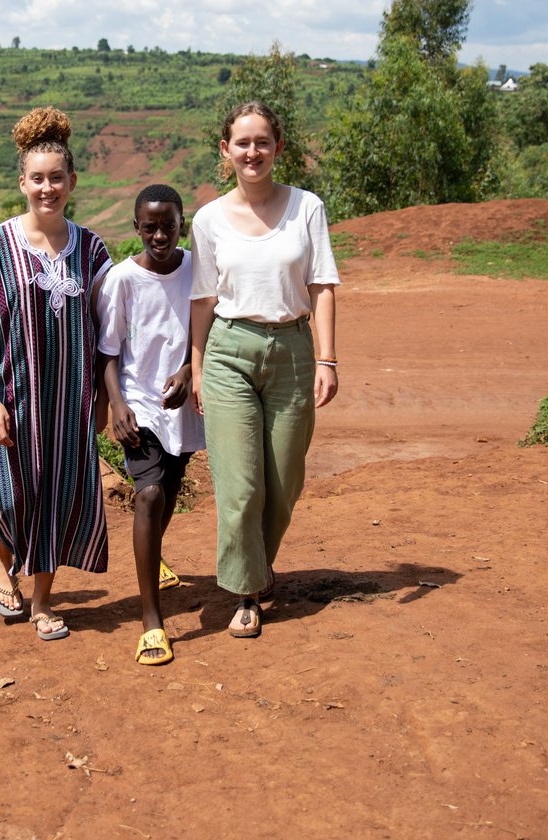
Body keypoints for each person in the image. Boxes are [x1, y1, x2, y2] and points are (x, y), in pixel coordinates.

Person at [189, 101, 340, 638]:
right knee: (240, 485)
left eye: (263, 142)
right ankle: (246, 592)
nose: (253, 152)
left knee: (283, 482)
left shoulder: (307, 208)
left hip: (294, 351)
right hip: (230, 350)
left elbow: (321, 286)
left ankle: (259, 563)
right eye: (242, 143)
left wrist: (326, 358)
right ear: (225, 151)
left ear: (278, 148)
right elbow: (204, 299)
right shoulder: (207, 219)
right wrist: (198, 367)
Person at [0, 106, 111, 641]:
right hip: (11, 396)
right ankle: (2, 563)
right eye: (37, 179)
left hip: (70, 402)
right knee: (11, 493)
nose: (47, 188)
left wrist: (102, 396)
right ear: (21, 181)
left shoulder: (91, 249)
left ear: (71, 182)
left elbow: (107, 331)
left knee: (58, 494)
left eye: (57, 178)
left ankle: (43, 602)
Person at [98, 184, 205, 665]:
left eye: (168, 225)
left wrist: (188, 372)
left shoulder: (197, 270)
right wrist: (116, 403)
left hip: (182, 403)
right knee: (150, 493)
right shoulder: (122, 279)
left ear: (182, 223)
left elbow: (207, 329)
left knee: (172, 485)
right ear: (136, 228)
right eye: (149, 227)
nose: (159, 235)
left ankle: (153, 554)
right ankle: (151, 622)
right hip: (138, 402)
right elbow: (109, 350)